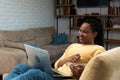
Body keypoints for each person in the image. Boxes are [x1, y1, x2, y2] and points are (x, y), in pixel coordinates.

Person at [4, 17, 105, 80]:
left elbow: (98, 71)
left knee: (34, 73)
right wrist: (67, 59)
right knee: (21, 67)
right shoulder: (73, 45)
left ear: (94, 34)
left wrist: (82, 71)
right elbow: (57, 65)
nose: (80, 34)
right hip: (57, 74)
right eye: (80, 30)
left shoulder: (98, 49)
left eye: (85, 32)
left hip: (67, 78)